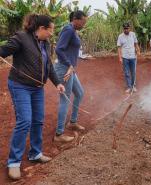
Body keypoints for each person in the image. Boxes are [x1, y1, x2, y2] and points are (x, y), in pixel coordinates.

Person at [0, 14, 65, 180]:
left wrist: (57, 82)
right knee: (25, 121)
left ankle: (35, 153)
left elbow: (49, 66)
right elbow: (4, 51)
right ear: (42, 28)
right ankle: (13, 162)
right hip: (20, 85)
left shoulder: (45, 43)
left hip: (37, 88)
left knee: (38, 120)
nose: (52, 33)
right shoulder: (21, 37)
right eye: (50, 30)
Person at [54, 10, 87, 142]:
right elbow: (58, 49)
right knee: (65, 99)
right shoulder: (68, 30)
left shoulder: (72, 31)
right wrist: (69, 64)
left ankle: (72, 122)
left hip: (70, 69)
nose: (84, 24)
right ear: (75, 19)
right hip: (64, 69)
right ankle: (59, 134)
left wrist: (71, 66)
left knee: (79, 93)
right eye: (83, 21)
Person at [117, 22, 140, 93]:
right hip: (125, 57)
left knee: (133, 72)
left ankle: (133, 86)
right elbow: (119, 47)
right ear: (123, 29)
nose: (126, 30)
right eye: (124, 29)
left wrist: (138, 50)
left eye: (127, 28)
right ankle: (129, 87)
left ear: (129, 28)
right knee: (127, 73)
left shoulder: (133, 34)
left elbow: (136, 44)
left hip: (133, 57)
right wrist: (120, 57)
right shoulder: (120, 36)